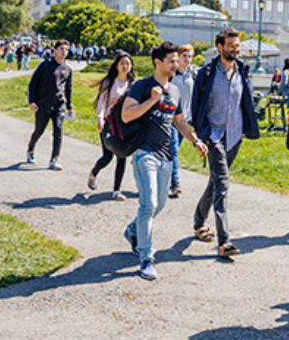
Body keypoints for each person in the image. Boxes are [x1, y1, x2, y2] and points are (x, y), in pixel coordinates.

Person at [122, 42, 209, 280]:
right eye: (171, 60)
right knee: (148, 204)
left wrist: (195, 140)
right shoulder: (142, 86)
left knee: (158, 205)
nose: (175, 64)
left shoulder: (175, 91)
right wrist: (151, 101)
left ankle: (132, 231)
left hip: (166, 157)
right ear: (157, 62)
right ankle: (146, 258)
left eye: (176, 60)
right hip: (144, 154)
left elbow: (179, 121)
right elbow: (126, 114)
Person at [191, 28, 259, 258]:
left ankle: (198, 221)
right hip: (214, 136)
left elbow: (245, 101)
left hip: (235, 136)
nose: (235, 49)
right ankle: (224, 241)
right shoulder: (207, 73)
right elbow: (196, 104)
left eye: (237, 45)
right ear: (219, 47)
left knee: (215, 181)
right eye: (230, 45)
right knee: (223, 184)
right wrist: (202, 135)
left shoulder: (242, 71)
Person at [89, 52, 134, 200]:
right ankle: (94, 173)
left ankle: (116, 190)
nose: (125, 66)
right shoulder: (109, 81)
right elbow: (102, 102)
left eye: (128, 64)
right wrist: (100, 119)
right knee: (107, 157)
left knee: (122, 156)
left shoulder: (133, 83)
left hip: (124, 124)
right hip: (108, 122)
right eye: (122, 63)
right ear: (116, 65)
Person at [26, 39, 73, 170]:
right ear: (55, 51)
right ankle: (30, 149)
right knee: (39, 130)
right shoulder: (45, 65)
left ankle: (54, 159)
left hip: (59, 105)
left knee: (58, 131)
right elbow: (33, 84)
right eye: (61, 49)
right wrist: (31, 101)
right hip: (43, 104)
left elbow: (68, 89)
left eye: (66, 50)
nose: (64, 52)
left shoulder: (68, 68)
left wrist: (69, 106)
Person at [169, 44, 197, 198]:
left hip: (186, 119)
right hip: (171, 118)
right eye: (184, 56)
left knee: (174, 151)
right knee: (173, 150)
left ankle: (164, 177)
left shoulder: (192, 74)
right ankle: (175, 183)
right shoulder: (172, 74)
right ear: (178, 57)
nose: (187, 59)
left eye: (189, 56)